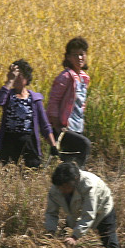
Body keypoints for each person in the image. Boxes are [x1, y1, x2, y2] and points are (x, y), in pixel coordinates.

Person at [45, 162, 121, 248]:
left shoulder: (89, 185)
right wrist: (50, 232)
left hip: (102, 207)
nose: (62, 190)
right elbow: (51, 213)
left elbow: (89, 214)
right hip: (75, 212)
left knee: (109, 241)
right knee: (64, 236)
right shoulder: (57, 188)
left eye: (65, 187)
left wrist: (75, 237)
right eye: (60, 187)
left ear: (75, 180)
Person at [0, 59, 57, 168]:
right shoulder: (8, 96)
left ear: (27, 77)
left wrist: (53, 145)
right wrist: (9, 82)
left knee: (30, 172)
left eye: (20, 75)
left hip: (28, 143)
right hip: (9, 142)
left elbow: (44, 124)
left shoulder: (35, 99)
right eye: (14, 75)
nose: (16, 78)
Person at [47, 37, 92, 167]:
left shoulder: (84, 78)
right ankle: (78, 176)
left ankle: (66, 182)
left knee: (69, 157)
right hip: (64, 126)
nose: (79, 58)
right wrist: (56, 124)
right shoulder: (65, 77)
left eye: (82, 54)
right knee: (85, 144)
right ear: (68, 57)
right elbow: (53, 101)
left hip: (77, 125)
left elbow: (81, 102)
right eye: (75, 54)